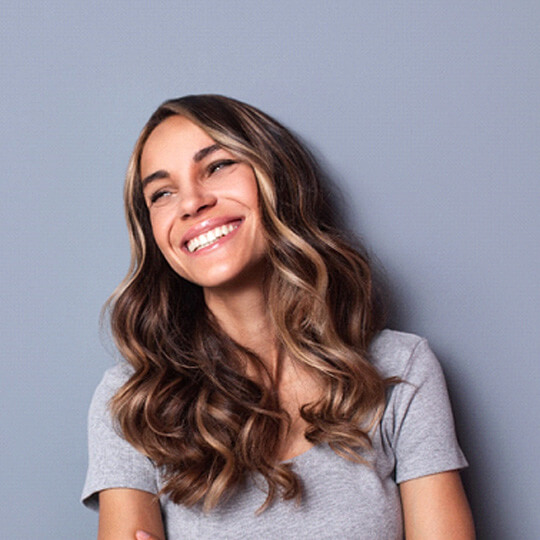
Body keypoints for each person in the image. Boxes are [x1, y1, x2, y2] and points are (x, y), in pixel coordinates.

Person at [82, 95, 475, 539]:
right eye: (162, 193)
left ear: (276, 178)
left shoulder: (400, 372)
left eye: (216, 166)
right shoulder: (134, 402)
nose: (190, 202)